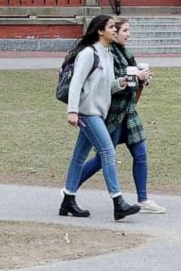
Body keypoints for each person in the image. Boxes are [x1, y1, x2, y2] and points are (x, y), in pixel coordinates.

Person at [59, 14, 143, 221]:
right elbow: (77, 83)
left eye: (116, 27)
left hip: (99, 111)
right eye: (112, 27)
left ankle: (68, 200)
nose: (115, 30)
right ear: (100, 31)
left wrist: (122, 81)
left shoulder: (108, 54)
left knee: (79, 157)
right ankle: (118, 201)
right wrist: (72, 111)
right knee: (107, 151)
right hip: (88, 112)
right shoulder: (89, 53)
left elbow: (106, 85)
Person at [77, 17, 164, 213]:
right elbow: (108, 86)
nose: (128, 34)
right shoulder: (107, 54)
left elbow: (131, 86)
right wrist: (134, 78)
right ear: (113, 33)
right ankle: (70, 188)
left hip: (129, 111)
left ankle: (143, 199)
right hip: (112, 112)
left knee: (140, 153)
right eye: (124, 30)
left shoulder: (126, 52)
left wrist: (142, 80)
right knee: (103, 158)